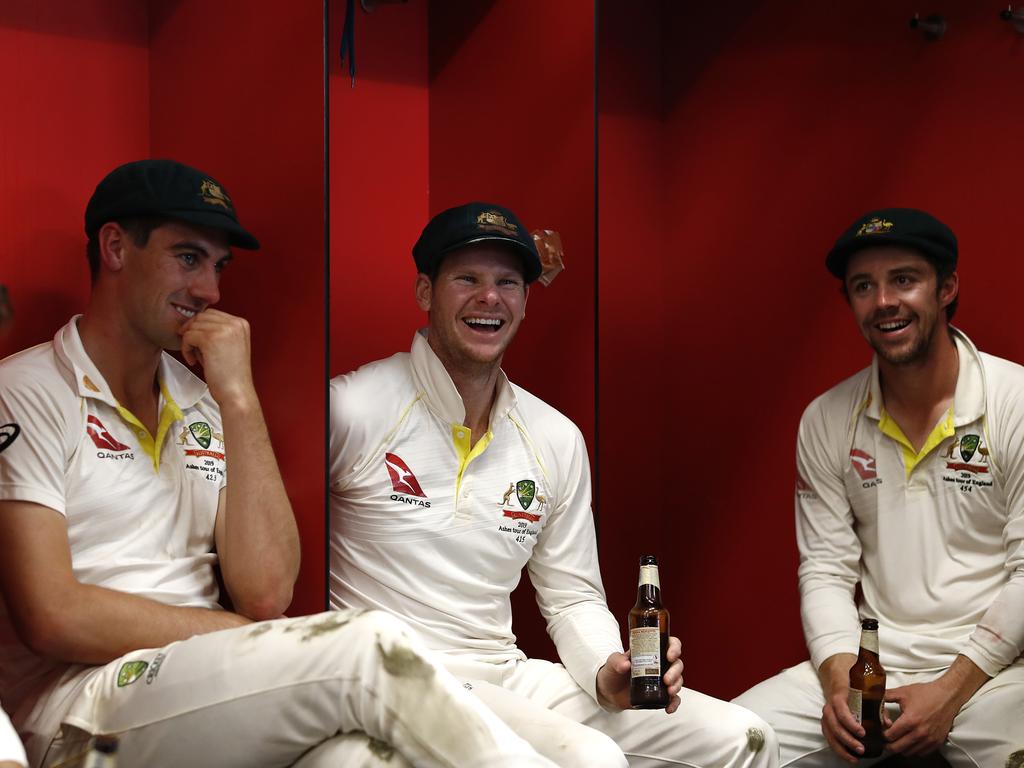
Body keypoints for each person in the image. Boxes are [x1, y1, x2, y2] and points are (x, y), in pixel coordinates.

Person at [0, 160, 558, 768]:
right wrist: (233, 634)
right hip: (81, 707)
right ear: (115, 247)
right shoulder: (25, 389)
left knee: (356, 759)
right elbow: (50, 614)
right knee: (369, 643)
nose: (210, 291)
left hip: (199, 684)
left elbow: (266, 594)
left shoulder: (206, 401)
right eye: (188, 258)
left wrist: (237, 398)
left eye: (218, 267)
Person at [329, 201, 780, 768]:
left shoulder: (554, 436)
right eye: (467, 278)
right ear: (425, 292)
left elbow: (572, 596)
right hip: (393, 674)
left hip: (504, 672)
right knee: (595, 761)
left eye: (508, 282)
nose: (489, 298)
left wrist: (606, 671)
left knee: (745, 738)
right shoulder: (351, 407)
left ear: (523, 300)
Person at [734, 208, 1024, 767]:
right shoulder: (827, 418)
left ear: (947, 288)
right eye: (864, 286)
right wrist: (841, 682)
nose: (884, 301)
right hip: (873, 664)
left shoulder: (1014, 403)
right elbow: (824, 570)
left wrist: (950, 691)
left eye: (904, 280)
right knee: (727, 744)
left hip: (997, 673)